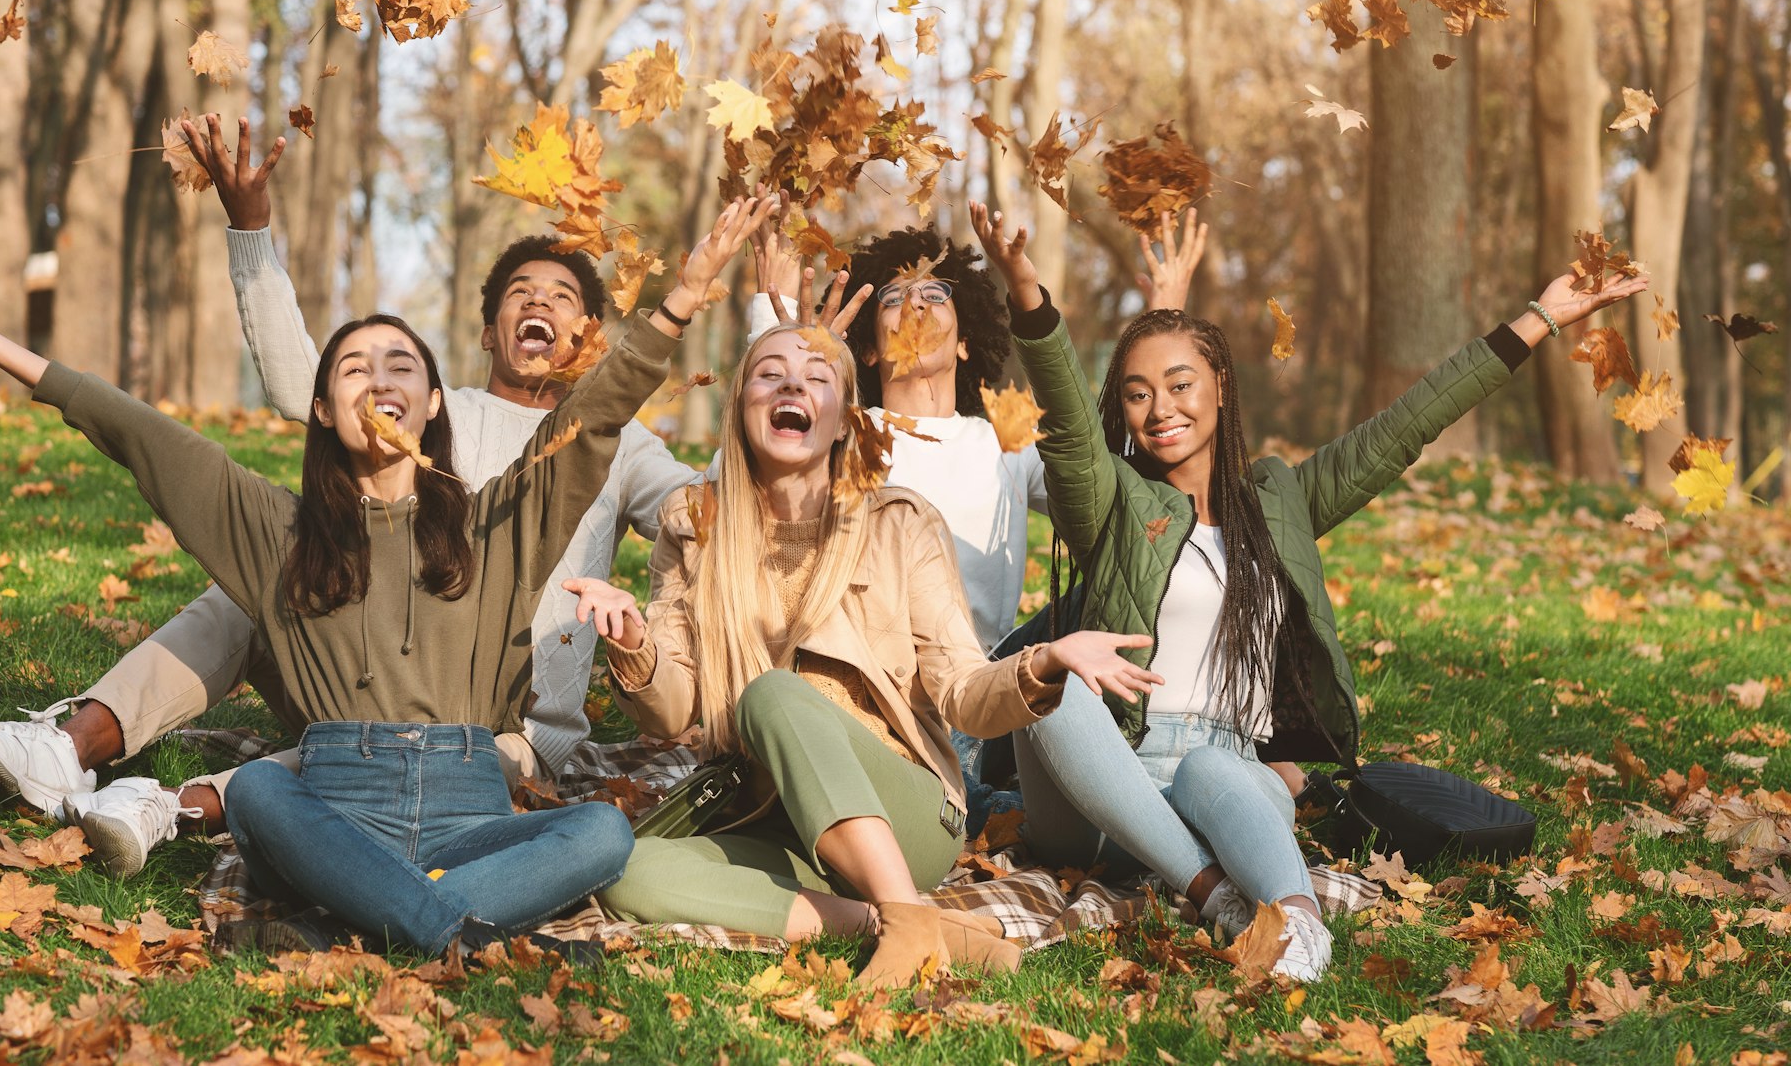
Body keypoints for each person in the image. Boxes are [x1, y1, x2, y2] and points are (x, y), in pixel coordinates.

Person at [0, 192, 777, 956]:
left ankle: (398, 911)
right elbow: (143, 435)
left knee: (603, 829)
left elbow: (595, 419)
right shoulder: (279, 527)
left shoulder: (500, 519)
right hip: (337, 790)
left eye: (399, 364)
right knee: (263, 788)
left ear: (429, 404)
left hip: (474, 798)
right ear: (321, 402)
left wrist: (680, 304)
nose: (378, 378)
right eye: (353, 365)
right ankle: (446, 926)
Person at [967, 201, 1648, 982]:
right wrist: (1028, 295)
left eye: (1180, 383)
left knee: (1212, 772)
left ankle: (1296, 924)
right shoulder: (1113, 503)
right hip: (1103, 795)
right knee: (1054, 681)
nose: (1162, 409)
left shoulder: (1279, 500)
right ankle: (1217, 895)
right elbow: (1064, 420)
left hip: (1226, 779)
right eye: (1137, 393)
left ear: (1221, 385)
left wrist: (1538, 319)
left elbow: (1403, 428)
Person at [561, 322, 1162, 987]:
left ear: (844, 421)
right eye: (770, 373)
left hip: (906, 810)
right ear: (740, 407)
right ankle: (904, 925)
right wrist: (634, 644)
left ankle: (905, 915)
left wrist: (1044, 660)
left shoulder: (899, 521)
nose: (792, 382)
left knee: (775, 692)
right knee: (629, 870)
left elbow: (962, 690)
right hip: (772, 814)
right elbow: (671, 716)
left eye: (817, 376)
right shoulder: (695, 524)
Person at [745, 212, 1205, 832]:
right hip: (893, 692)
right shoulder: (844, 433)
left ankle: (1157, 757)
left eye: (936, 293)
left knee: (1108, 593)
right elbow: (752, 471)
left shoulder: (1003, 443)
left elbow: (1117, 488)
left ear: (965, 340)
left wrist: (1162, 326)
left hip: (991, 678)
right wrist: (773, 326)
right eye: (894, 296)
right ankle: (1000, 808)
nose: (916, 304)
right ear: (871, 346)